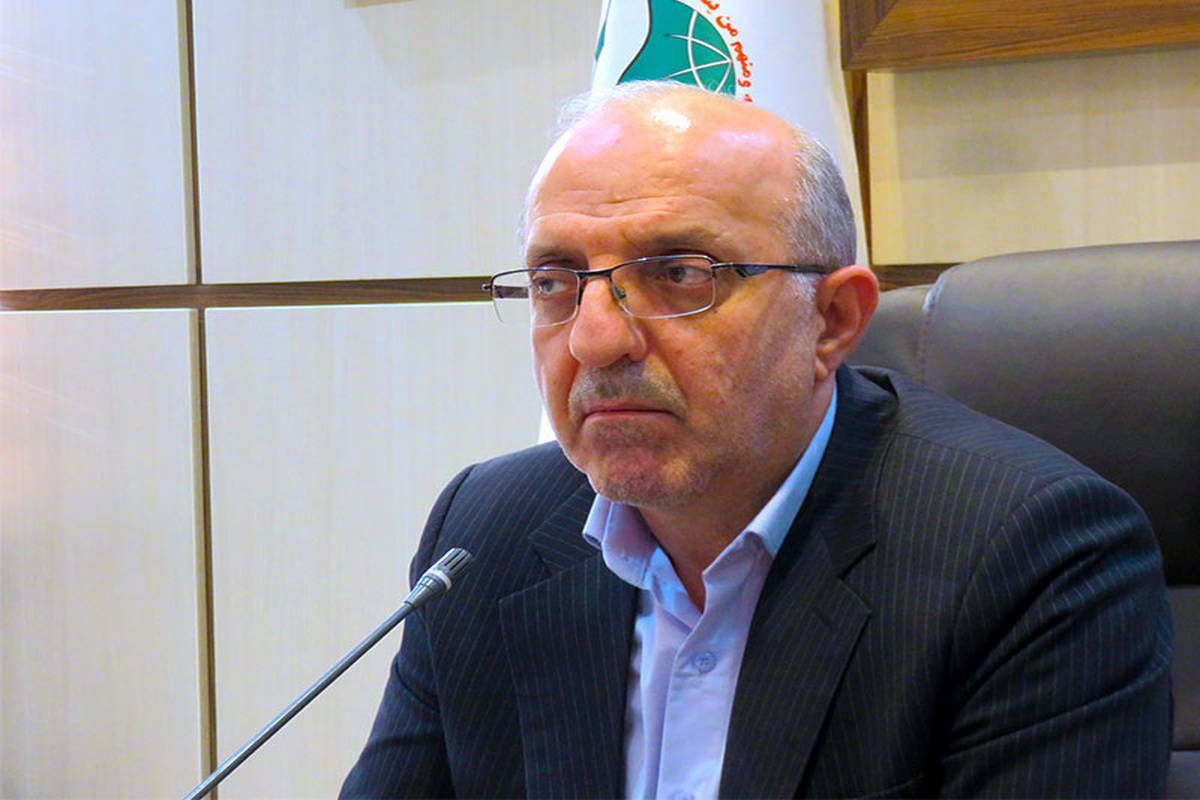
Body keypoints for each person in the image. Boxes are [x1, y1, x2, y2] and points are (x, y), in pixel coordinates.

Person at [341, 82, 1171, 798]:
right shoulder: (487, 533)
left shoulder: (1031, 555)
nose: (594, 340)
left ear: (832, 320)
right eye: (556, 282)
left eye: (678, 274)